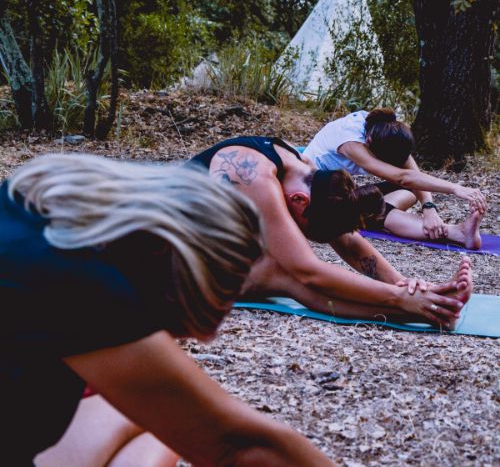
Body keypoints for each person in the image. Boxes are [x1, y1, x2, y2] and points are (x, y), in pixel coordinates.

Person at [1, 153, 334, 466]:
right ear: (164, 250)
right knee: (186, 423)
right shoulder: (72, 281)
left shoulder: (27, 208)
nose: (208, 335)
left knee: (155, 421)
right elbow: (235, 443)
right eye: (218, 289)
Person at [191, 135, 473, 330]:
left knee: (283, 273)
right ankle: (420, 310)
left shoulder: (308, 173)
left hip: (207, 245)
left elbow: (348, 242)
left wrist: (403, 284)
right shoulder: (253, 177)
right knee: (282, 274)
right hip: (167, 254)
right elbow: (308, 271)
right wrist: (398, 297)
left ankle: (430, 309)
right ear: (299, 201)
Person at [303, 108, 487, 249]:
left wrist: (429, 208)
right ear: (369, 143)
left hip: (341, 191)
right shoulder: (351, 142)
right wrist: (456, 188)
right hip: (314, 200)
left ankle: (377, 215)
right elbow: (402, 177)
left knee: (412, 191)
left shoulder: (388, 132)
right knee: (374, 208)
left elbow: (414, 177)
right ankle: (456, 233)